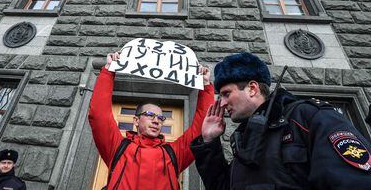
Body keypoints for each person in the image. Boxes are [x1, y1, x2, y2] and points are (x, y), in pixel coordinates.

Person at [190, 52, 371, 190]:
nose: (221, 103)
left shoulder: (308, 117)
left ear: (252, 88)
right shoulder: (245, 137)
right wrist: (208, 142)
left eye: (226, 94)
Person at [88, 52, 214, 190]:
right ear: (136, 120)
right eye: (150, 115)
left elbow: (200, 129)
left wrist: (205, 85)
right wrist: (108, 71)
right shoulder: (118, 147)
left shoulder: (174, 152)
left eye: (160, 118)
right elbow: (99, 115)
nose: (156, 121)